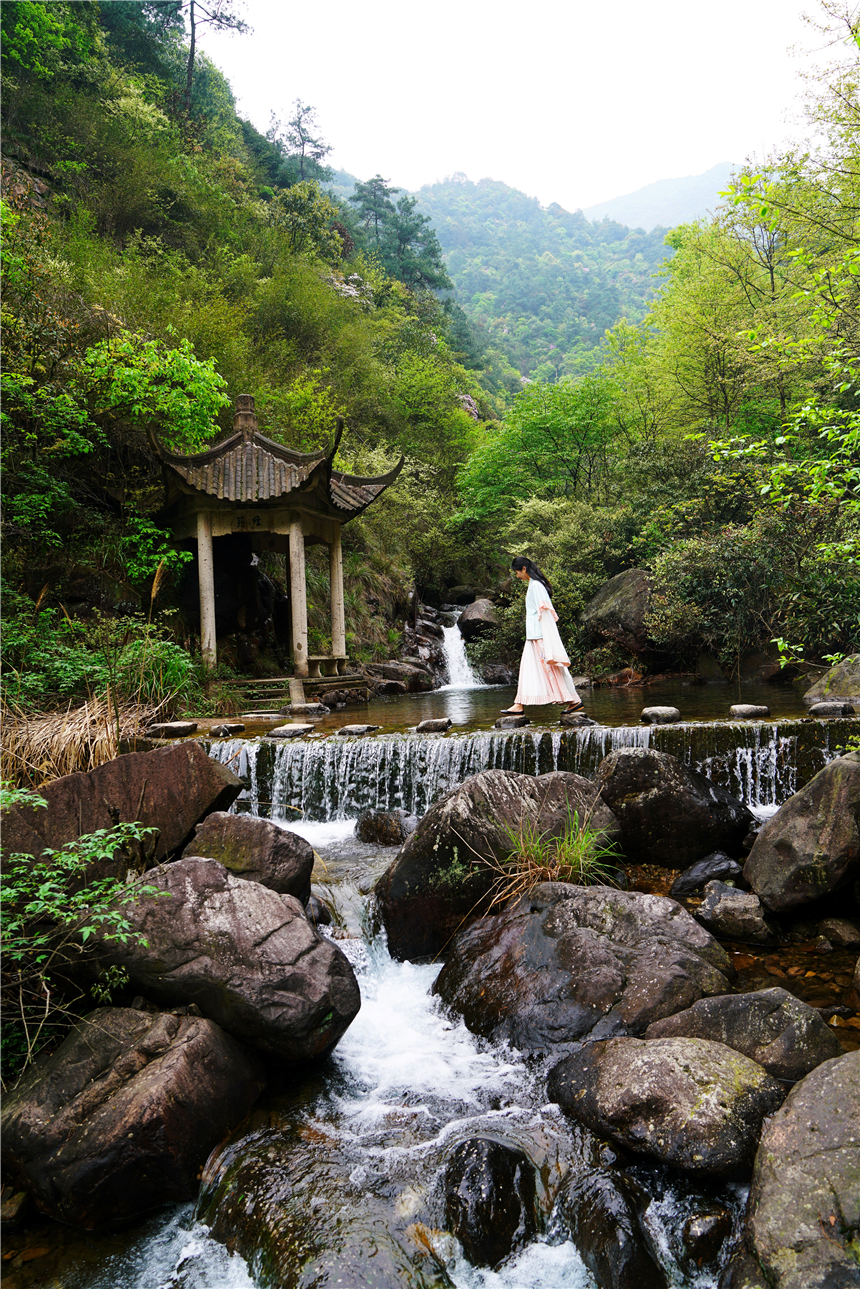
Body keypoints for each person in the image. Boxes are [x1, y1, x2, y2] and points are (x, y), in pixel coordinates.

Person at [500, 556, 583, 714]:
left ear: (524, 569)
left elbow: (545, 612)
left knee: (551, 668)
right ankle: (520, 704)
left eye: (517, 572)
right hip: (533, 636)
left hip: (539, 636)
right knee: (535, 669)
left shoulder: (536, 586)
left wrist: (549, 638)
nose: (517, 576)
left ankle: (574, 700)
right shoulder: (533, 584)